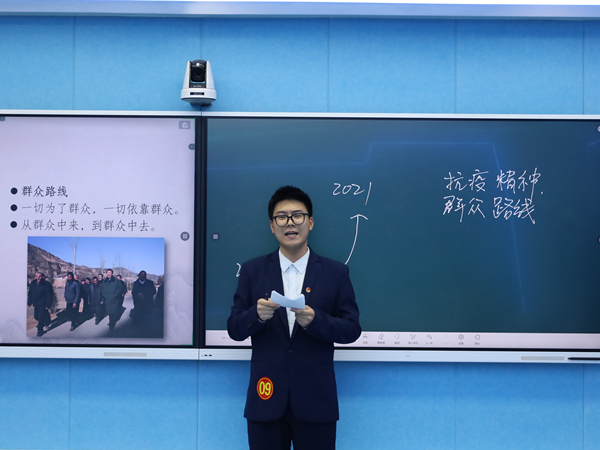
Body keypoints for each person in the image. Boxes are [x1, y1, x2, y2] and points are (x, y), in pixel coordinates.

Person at [227, 186, 361, 450]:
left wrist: (316, 321)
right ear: (272, 226)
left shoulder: (335, 273)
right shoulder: (253, 271)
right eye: (281, 217)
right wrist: (257, 315)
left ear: (310, 222)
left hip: (316, 401)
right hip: (265, 398)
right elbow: (234, 328)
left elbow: (351, 329)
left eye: (297, 215)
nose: (290, 223)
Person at [27, 272, 53, 336]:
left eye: (41, 276)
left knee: (40, 317)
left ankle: (40, 330)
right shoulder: (33, 283)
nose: (40, 278)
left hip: (43, 303)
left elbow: (49, 295)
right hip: (36, 303)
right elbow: (30, 293)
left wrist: (48, 304)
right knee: (36, 316)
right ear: (36, 276)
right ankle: (47, 321)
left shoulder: (46, 284)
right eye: (38, 276)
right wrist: (29, 302)